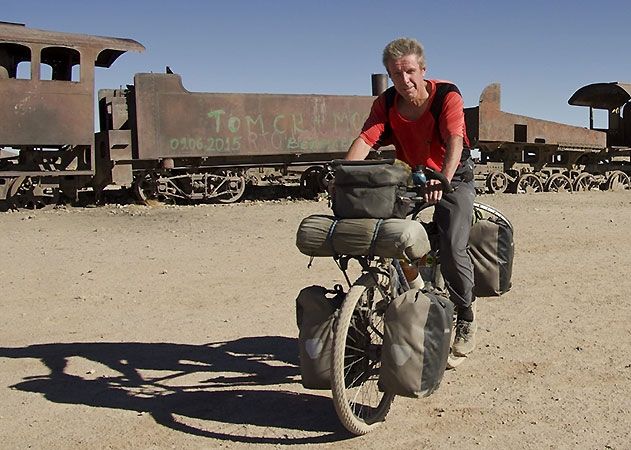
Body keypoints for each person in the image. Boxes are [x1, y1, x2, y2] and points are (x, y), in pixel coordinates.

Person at [344, 37, 477, 356]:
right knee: (379, 234)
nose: (403, 81)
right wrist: (343, 178)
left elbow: (455, 140)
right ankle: (376, 301)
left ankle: (466, 316)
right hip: (412, 176)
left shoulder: (446, 94)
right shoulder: (387, 103)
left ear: (423, 69)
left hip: (452, 176)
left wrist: (443, 180)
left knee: (451, 245)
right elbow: (366, 139)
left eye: (409, 72)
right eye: (395, 74)